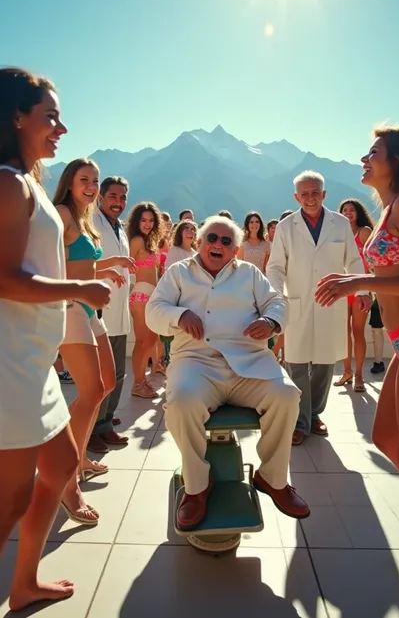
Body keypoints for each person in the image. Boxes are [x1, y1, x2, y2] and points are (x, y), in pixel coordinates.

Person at [0, 68, 110, 614]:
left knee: (59, 466)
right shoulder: (2, 183)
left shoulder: (26, 180)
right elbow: (2, 280)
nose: (61, 127)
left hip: (29, 354)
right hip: (0, 356)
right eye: (51, 116)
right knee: (5, 502)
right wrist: (82, 288)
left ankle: (23, 582)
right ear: (16, 117)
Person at [315, 126, 399, 617]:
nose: (364, 158)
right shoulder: (392, 207)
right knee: (389, 439)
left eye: (374, 152)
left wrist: (359, 281)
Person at [145, 216, 309, 530]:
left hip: (248, 363)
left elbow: (278, 302)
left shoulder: (249, 274)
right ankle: (197, 487)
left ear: (235, 250)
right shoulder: (179, 273)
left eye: (225, 242)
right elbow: (154, 312)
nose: (217, 245)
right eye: (212, 238)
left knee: (287, 395)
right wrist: (180, 315)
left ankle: (272, 478)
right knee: (180, 402)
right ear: (200, 242)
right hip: (196, 363)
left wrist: (271, 322)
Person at [267, 171, 372, 445]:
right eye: (304, 194)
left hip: (331, 301)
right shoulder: (286, 227)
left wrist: (362, 290)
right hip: (297, 301)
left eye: (315, 193)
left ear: (324, 194)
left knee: (325, 362)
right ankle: (300, 422)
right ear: (296, 197)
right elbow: (276, 267)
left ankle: (314, 415)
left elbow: (353, 260)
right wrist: (275, 295)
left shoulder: (340, 224)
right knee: (297, 362)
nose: (310, 198)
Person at [54, 158, 130, 522]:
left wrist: (110, 264)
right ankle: (67, 483)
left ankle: (78, 455)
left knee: (107, 385)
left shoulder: (82, 219)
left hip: (87, 311)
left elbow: (81, 263)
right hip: (69, 310)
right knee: (89, 393)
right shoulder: (62, 216)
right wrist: (83, 287)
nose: (92, 185)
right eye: (85, 179)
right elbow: (47, 264)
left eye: (95, 180)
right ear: (70, 182)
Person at [89, 176, 137, 453]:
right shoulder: (92, 223)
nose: (118, 203)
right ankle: (92, 428)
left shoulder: (120, 227)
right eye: (113, 197)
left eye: (122, 198)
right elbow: (84, 263)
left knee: (118, 373)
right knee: (99, 374)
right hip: (98, 309)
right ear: (101, 197)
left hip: (119, 309)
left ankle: (106, 424)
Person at [127, 201, 164, 397]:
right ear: (137, 221)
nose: (147, 224)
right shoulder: (137, 241)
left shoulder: (150, 241)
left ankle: (142, 380)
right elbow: (124, 264)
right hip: (140, 295)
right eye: (143, 220)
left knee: (150, 340)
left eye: (151, 220)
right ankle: (138, 384)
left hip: (151, 295)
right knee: (143, 342)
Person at [336, 198, 374, 392]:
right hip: (342, 290)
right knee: (343, 334)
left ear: (358, 212)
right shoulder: (337, 234)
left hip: (361, 290)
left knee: (357, 331)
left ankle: (359, 375)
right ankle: (347, 372)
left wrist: (371, 287)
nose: (348, 213)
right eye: (344, 210)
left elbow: (374, 259)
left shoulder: (364, 232)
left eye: (351, 210)